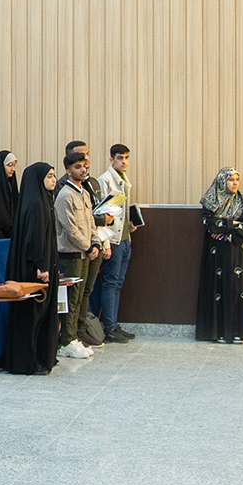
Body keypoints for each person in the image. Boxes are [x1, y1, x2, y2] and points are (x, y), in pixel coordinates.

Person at [1, 162, 60, 375]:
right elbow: (34, 240)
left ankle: (41, 357)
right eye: (50, 176)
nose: (54, 180)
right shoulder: (35, 205)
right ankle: (28, 361)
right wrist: (41, 266)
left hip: (42, 266)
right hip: (34, 271)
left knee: (41, 315)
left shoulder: (43, 200)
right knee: (32, 316)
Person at [196, 167, 243, 344]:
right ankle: (220, 332)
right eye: (231, 180)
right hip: (216, 253)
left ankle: (239, 332)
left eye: (237, 180)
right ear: (222, 182)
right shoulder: (211, 201)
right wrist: (233, 224)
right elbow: (208, 221)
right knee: (218, 288)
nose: (235, 183)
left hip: (238, 251)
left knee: (238, 289)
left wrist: (227, 232)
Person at [55, 150, 102, 359]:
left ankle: (74, 336)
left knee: (82, 296)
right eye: (77, 167)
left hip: (86, 251)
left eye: (84, 166)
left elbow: (91, 222)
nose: (83, 170)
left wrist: (96, 243)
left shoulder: (83, 192)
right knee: (72, 299)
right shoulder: (65, 195)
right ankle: (66, 340)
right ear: (68, 171)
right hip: (72, 253)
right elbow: (70, 229)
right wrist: (88, 247)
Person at [95, 144, 138, 343]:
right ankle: (109, 327)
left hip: (124, 238)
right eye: (120, 158)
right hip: (113, 240)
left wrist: (129, 224)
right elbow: (102, 213)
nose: (124, 161)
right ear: (111, 159)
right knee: (111, 283)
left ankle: (113, 324)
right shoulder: (105, 180)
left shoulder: (124, 180)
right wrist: (105, 244)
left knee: (117, 283)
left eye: (126, 157)